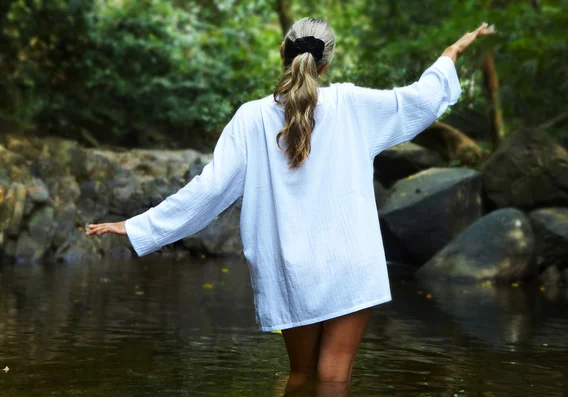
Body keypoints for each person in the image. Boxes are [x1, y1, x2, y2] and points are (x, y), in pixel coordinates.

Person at [86, 17, 493, 394]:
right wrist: (450, 53)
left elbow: (209, 190)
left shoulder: (250, 118)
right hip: (351, 263)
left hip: (291, 267)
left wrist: (140, 226)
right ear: (326, 64)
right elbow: (419, 101)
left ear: (283, 50)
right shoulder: (353, 105)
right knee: (334, 379)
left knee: (301, 375)